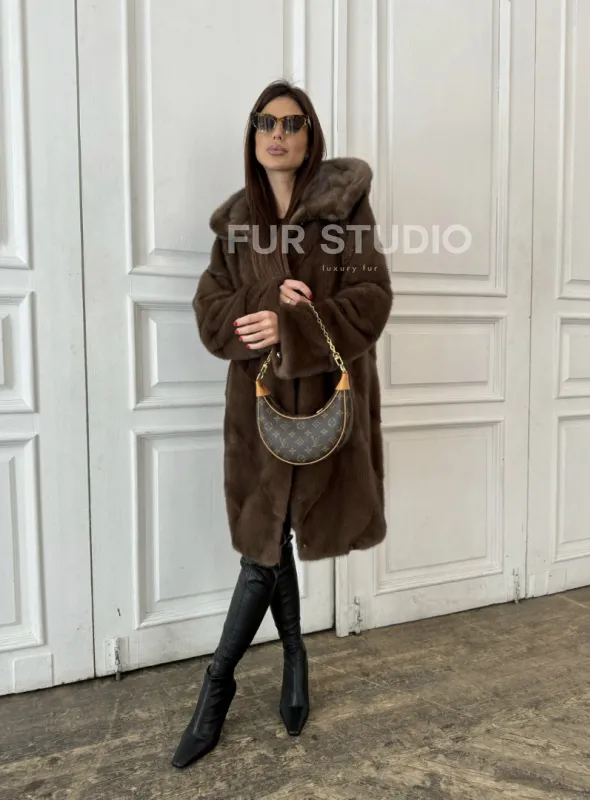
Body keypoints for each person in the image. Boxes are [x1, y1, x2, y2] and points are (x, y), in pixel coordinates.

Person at [171, 79, 393, 769]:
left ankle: (219, 684)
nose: (278, 133)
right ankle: (288, 660)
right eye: (266, 122)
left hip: (326, 397)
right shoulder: (234, 223)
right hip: (259, 404)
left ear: (309, 135)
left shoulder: (346, 206)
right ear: (253, 134)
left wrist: (297, 326)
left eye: (292, 123)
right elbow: (211, 314)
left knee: (272, 541)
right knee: (267, 541)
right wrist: (266, 300)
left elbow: (372, 298)